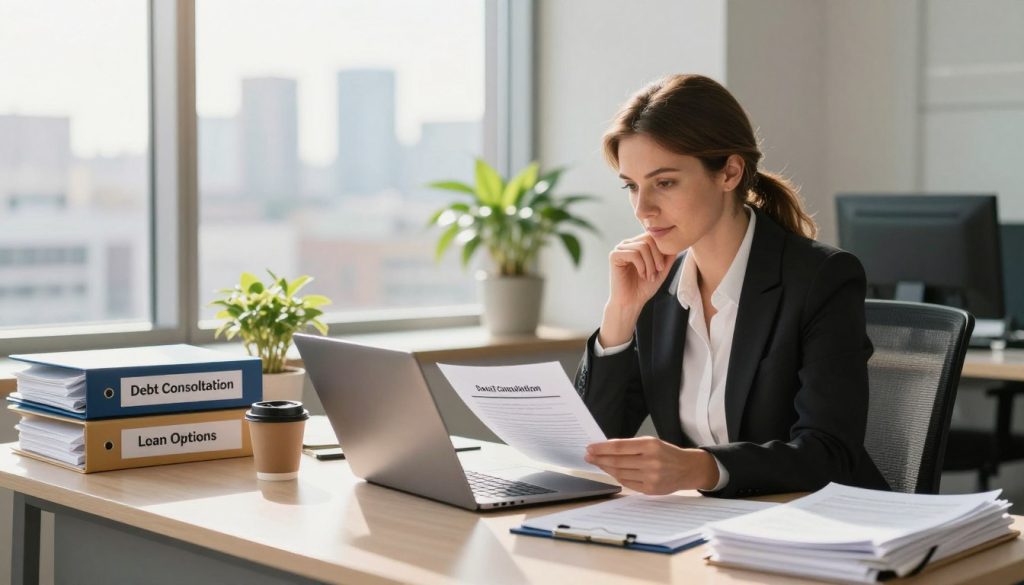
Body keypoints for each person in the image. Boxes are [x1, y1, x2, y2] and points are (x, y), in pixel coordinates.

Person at [576, 74, 890, 498]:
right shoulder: (655, 286)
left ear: (729, 172)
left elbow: (828, 452)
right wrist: (620, 317)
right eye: (632, 186)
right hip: (710, 530)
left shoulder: (821, 278)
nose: (642, 209)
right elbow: (594, 444)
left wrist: (702, 468)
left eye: (664, 183)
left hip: (818, 526)